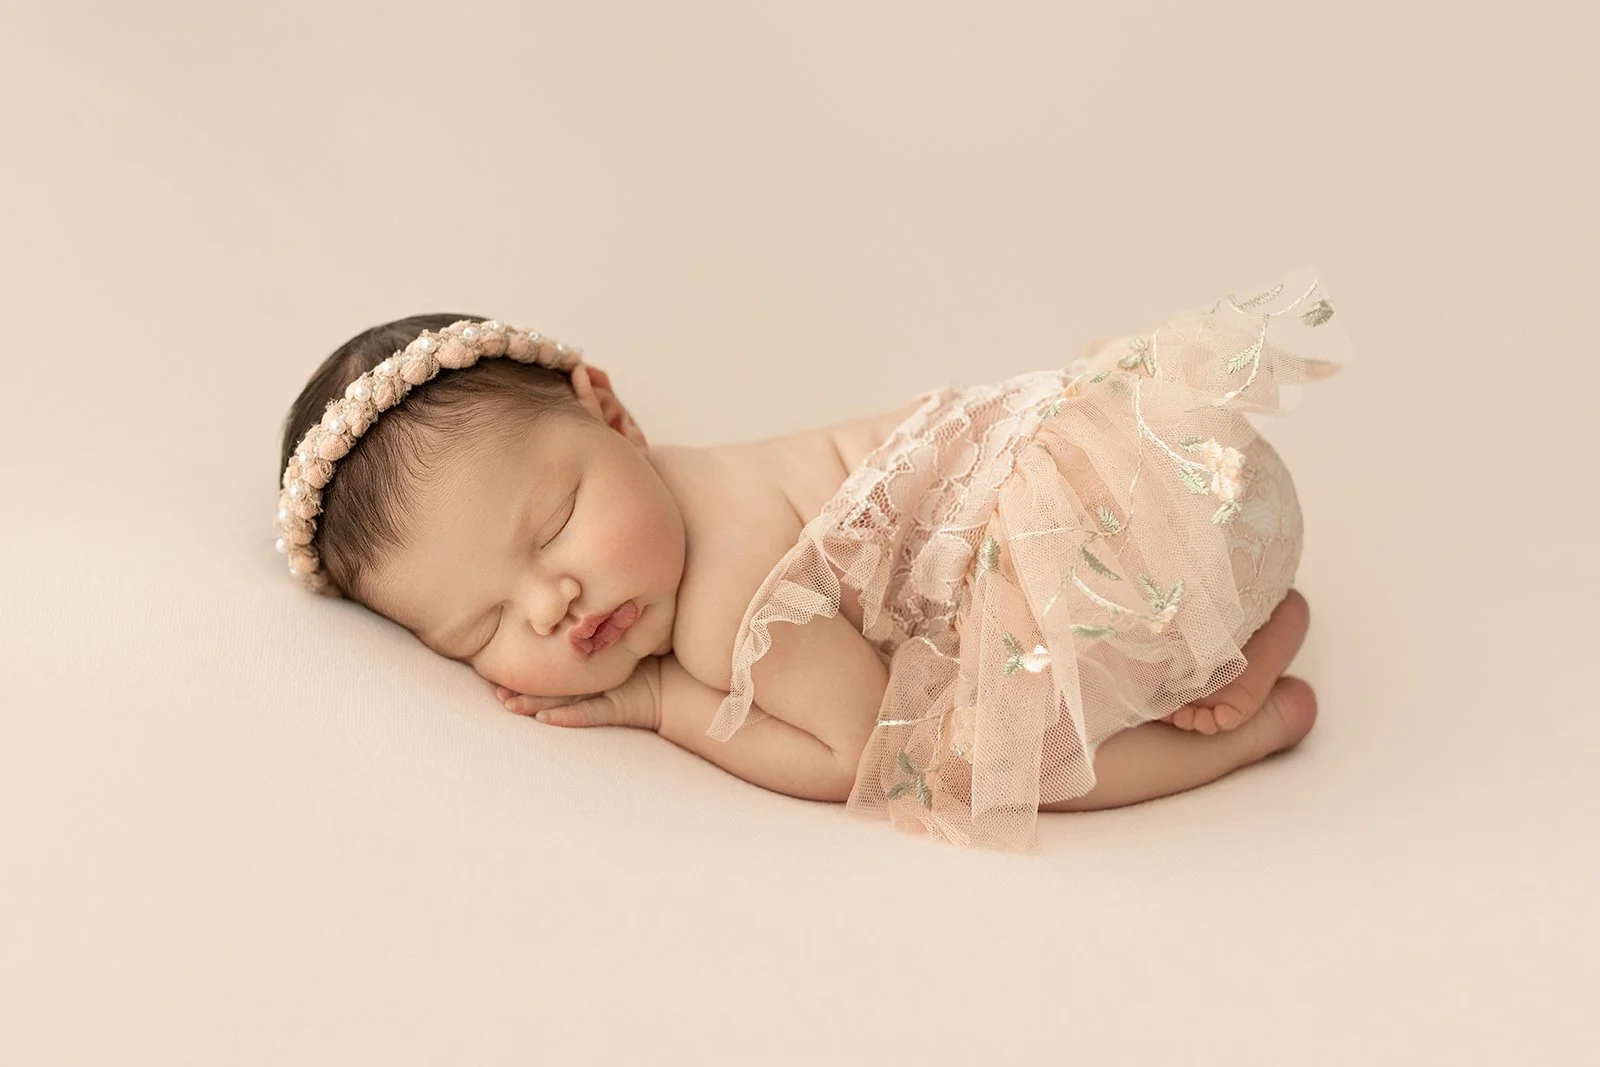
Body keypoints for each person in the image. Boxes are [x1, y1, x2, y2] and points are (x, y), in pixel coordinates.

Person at [273, 265, 1350, 851]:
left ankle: (1249, 725)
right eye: (483, 627)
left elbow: (864, 753)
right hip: (1192, 473)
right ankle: (1250, 622)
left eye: (552, 525)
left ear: (610, 408)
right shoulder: (700, 476)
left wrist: (665, 707)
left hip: (1119, 519)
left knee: (980, 759)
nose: (552, 600)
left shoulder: (719, 612)